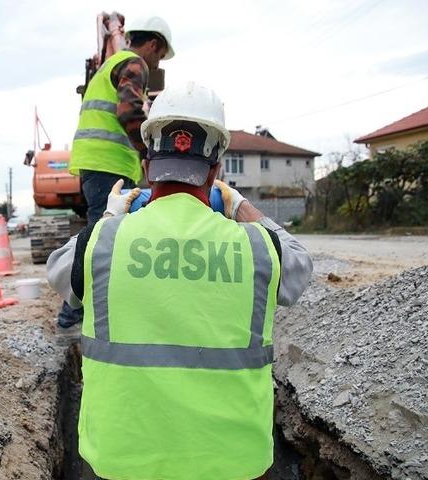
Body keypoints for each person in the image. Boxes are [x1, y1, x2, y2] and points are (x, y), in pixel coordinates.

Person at [46, 82, 313, 480]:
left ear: (148, 167)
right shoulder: (258, 247)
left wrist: (110, 217)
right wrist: (242, 208)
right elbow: (298, 268)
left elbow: (59, 273)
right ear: (218, 169)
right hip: (234, 464)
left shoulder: (103, 243)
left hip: (122, 463)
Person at [58, 16, 175, 327]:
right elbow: (130, 111)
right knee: (101, 240)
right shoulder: (134, 63)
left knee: (103, 236)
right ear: (152, 45)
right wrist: (151, 155)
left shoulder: (110, 65)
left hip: (99, 163)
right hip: (108, 164)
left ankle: (81, 311)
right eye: (160, 56)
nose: (157, 63)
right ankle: (72, 316)